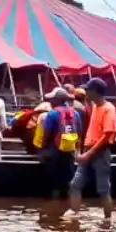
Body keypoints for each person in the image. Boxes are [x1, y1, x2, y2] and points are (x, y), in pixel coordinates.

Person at [69, 78, 116, 220]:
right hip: (89, 150)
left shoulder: (109, 109)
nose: (86, 93)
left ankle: (107, 220)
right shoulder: (95, 106)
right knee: (75, 184)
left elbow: (107, 136)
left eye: (88, 90)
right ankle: (74, 215)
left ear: (95, 91)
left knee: (103, 190)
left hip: (100, 152)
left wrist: (89, 153)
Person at [37, 87, 82, 219]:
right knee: (67, 182)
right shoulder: (76, 114)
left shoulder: (52, 114)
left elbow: (46, 135)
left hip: (53, 152)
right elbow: (79, 133)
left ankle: (49, 211)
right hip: (69, 152)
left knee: (50, 183)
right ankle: (64, 211)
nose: (50, 100)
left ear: (58, 100)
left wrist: (42, 149)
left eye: (52, 98)